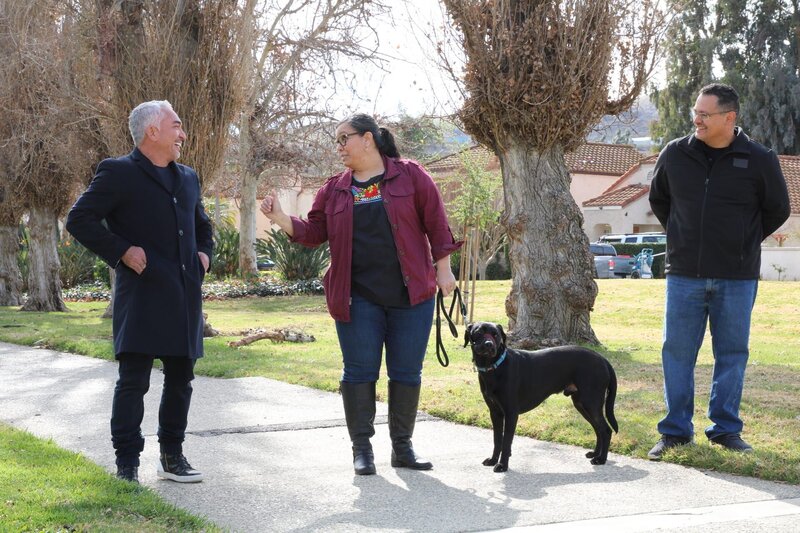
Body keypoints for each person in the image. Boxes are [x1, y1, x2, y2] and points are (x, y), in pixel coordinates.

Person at [260, 113, 461, 475]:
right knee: (358, 373)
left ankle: (402, 448)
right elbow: (314, 231)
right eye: (337, 140)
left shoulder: (411, 175)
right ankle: (362, 450)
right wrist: (279, 218)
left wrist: (443, 270)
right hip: (357, 297)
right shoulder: (335, 188)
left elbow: (436, 223)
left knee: (406, 373)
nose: (339, 147)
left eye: (343, 138)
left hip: (411, 295)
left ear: (368, 139)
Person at [66, 100, 213, 483]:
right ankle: (127, 463)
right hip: (144, 294)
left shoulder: (188, 177)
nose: (183, 134)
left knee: (181, 379)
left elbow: (203, 226)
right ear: (153, 131)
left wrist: (204, 256)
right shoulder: (118, 172)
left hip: (183, 297)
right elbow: (79, 219)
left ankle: (172, 457)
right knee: (134, 381)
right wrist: (121, 251)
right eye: (177, 126)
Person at [647, 84, 791, 460]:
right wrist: (683, 236)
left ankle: (725, 429)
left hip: (737, 277)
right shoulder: (675, 154)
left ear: (730, 118)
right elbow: (660, 200)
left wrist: (742, 241)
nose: (697, 119)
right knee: (676, 352)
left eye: (705, 114)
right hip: (684, 275)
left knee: (732, 352)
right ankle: (676, 431)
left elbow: (778, 209)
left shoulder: (759, 158)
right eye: (696, 112)